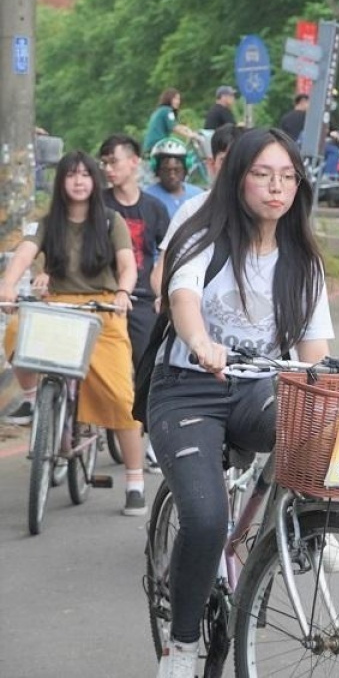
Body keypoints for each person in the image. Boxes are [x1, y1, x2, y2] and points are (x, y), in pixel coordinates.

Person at [148, 127, 339, 678]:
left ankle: (300, 532)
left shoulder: (304, 261)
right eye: (263, 174)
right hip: (186, 388)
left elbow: (313, 353)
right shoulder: (204, 237)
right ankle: (179, 648)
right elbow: (183, 297)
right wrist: (200, 343)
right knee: (204, 519)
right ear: (238, 176)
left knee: (314, 424)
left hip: (256, 387)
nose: (277, 187)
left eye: (288, 176)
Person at [0, 152, 149, 516]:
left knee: (119, 394)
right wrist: (7, 286)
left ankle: (134, 479)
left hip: (101, 309)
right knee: (18, 330)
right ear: (61, 181)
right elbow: (23, 254)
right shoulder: (47, 222)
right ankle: (36, 399)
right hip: (58, 305)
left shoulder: (111, 220)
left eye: (85, 175)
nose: (79, 181)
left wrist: (122, 294)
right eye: (71, 175)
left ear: (95, 181)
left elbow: (128, 266)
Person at [99, 134, 172, 471]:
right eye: (104, 163)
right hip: (99, 298)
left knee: (150, 367)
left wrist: (163, 294)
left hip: (140, 298)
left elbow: (168, 255)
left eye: (113, 161)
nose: (108, 168)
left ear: (134, 162)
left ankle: (155, 439)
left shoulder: (154, 208)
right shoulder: (98, 204)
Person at [149, 125, 245, 307]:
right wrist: (167, 298)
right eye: (225, 160)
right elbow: (161, 269)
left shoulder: (267, 211)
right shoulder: (193, 209)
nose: (233, 169)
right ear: (211, 164)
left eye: (240, 161)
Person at [144, 138, 205, 219]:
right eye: (166, 170)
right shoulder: (147, 198)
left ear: (185, 169)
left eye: (177, 170)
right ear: (157, 171)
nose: (172, 175)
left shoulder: (198, 195)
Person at [144, 88, 197, 152]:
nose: (178, 102)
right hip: (158, 145)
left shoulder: (160, 110)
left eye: (179, 99)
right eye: (175, 99)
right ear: (169, 99)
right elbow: (174, 128)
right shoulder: (167, 110)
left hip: (150, 145)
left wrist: (185, 128)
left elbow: (174, 125)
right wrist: (190, 135)